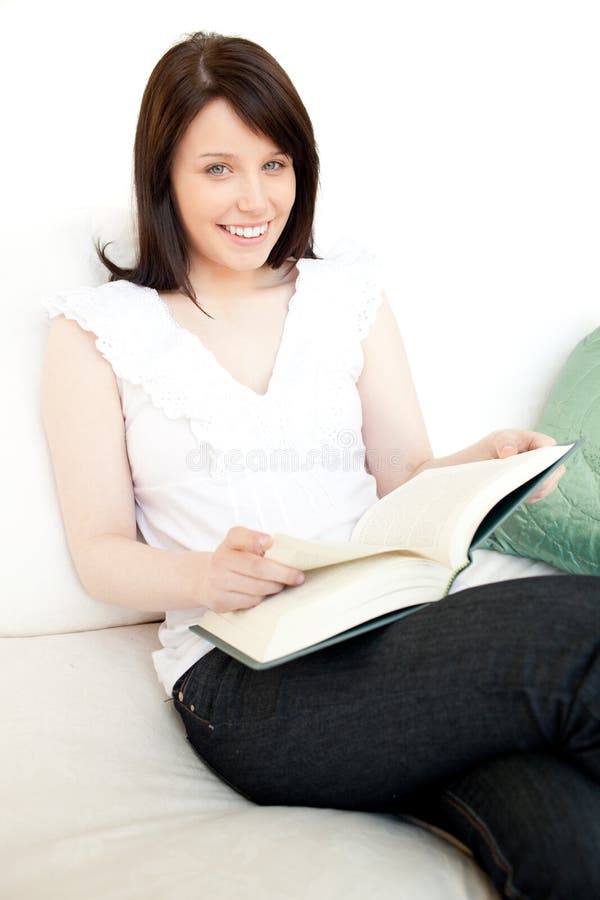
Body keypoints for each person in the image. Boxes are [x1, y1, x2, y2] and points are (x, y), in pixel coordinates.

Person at [40, 30, 599, 900]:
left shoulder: (349, 298)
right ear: (163, 176)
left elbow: (406, 473)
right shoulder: (97, 332)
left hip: (398, 629)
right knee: (584, 630)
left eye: (276, 164)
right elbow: (100, 551)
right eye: (217, 168)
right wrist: (205, 573)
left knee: (575, 843)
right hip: (250, 677)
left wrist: (483, 463)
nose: (253, 198)